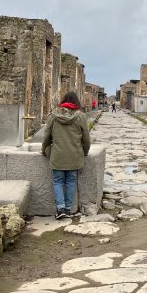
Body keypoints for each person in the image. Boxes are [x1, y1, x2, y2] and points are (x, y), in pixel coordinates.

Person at [41, 91, 91, 220]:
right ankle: (68, 209)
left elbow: (47, 136)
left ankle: (60, 208)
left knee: (58, 181)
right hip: (74, 154)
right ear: (76, 102)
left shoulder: (53, 115)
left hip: (57, 154)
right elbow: (86, 138)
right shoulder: (81, 116)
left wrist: (44, 150)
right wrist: (84, 152)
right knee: (70, 181)